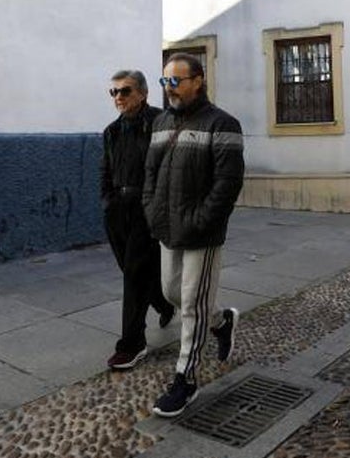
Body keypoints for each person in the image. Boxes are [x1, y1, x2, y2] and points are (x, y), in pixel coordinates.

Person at [143, 52, 244, 417]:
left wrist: (202, 220)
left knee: (192, 305)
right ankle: (222, 321)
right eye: (165, 81)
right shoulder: (161, 123)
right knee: (173, 294)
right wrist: (151, 209)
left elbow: (228, 183)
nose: (169, 88)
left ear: (198, 81)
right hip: (167, 228)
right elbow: (150, 173)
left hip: (202, 233)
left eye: (176, 81)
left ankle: (185, 380)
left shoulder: (223, 123)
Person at [100, 70, 175, 371]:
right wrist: (107, 201)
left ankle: (132, 344)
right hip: (118, 210)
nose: (118, 97)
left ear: (143, 93)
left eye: (125, 91)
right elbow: (105, 170)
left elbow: (170, 167)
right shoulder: (112, 131)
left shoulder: (161, 122)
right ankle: (164, 303)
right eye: (114, 92)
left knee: (134, 273)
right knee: (134, 270)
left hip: (147, 208)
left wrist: (158, 207)